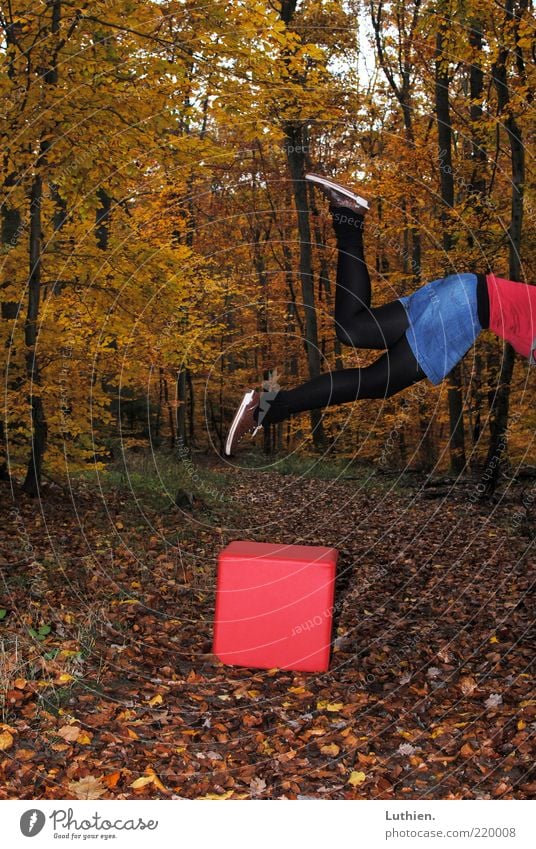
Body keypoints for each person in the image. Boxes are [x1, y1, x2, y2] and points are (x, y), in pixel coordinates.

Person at [224, 174, 536, 457]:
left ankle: (348, 215)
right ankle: (263, 408)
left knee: (352, 329)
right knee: (378, 382)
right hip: (467, 309)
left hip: (463, 290)